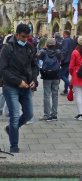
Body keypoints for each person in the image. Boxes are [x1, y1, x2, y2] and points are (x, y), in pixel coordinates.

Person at [0, 24, 39, 153]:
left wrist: (33, 80)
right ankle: (14, 146)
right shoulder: (7, 48)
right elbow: (3, 69)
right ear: (17, 35)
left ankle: (11, 129)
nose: (25, 40)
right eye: (23, 37)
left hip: (26, 86)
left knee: (29, 114)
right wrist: (18, 81)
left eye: (27, 37)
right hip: (11, 86)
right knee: (15, 116)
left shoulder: (30, 47)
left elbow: (34, 66)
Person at [37, 37, 61, 121]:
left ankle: (47, 115)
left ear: (47, 44)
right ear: (54, 44)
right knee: (55, 95)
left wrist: (44, 48)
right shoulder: (58, 52)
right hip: (56, 75)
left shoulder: (43, 52)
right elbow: (61, 60)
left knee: (47, 95)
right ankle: (54, 114)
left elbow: (38, 57)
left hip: (47, 75)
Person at [59, 30, 76, 95]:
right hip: (71, 60)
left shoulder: (65, 40)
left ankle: (71, 86)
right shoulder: (72, 40)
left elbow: (64, 50)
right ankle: (66, 90)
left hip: (66, 60)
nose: (62, 35)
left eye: (63, 34)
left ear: (65, 34)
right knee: (66, 75)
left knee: (61, 75)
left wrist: (61, 59)